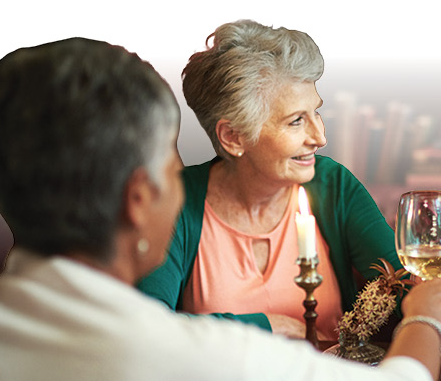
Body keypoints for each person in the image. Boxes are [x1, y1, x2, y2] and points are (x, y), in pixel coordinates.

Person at [0, 38, 441, 381]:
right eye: (171, 164)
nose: (184, 184)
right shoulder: (197, 360)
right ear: (139, 199)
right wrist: (426, 319)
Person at [137, 20, 398, 341]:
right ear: (232, 137)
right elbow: (145, 329)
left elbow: (404, 290)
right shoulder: (178, 200)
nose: (320, 137)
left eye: (316, 113)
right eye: (296, 121)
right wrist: (270, 327)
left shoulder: (333, 185)